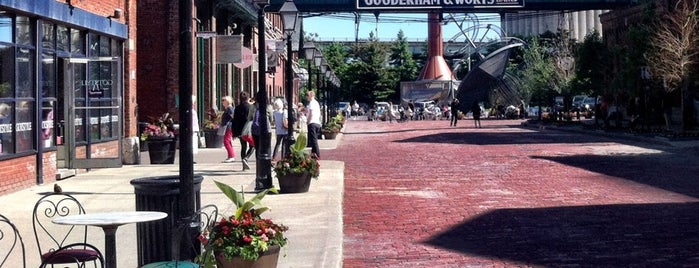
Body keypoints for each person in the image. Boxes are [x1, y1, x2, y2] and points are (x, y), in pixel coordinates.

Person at [231, 91, 254, 170]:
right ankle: (246, 158)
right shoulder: (250, 107)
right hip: (248, 130)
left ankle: (244, 165)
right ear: (248, 98)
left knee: (243, 146)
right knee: (253, 145)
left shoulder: (237, 108)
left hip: (240, 131)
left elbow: (234, 120)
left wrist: (234, 133)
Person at [306, 91, 321, 158]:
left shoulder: (312, 103)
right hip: (317, 122)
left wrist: (308, 121)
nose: (306, 97)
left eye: (307, 95)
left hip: (312, 123)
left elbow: (311, 113)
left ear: (311, 96)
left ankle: (317, 154)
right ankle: (313, 154)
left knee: (313, 140)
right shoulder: (316, 103)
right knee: (314, 140)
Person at [220, 96, 236, 163]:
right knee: (228, 141)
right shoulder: (228, 109)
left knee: (226, 141)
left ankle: (231, 156)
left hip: (228, 127)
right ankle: (231, 155)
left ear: (227, 101)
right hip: (227, 126)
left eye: (224, 100)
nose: (222, 102)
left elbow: (233, 117)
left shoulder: (229, 108)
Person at [191, 95, 200, 163]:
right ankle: (190, 158)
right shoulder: (192, 112)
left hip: (194, 130)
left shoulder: (193, 111)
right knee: (192, 143)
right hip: (192, 130)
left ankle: (191, 158)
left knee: (193, 143)